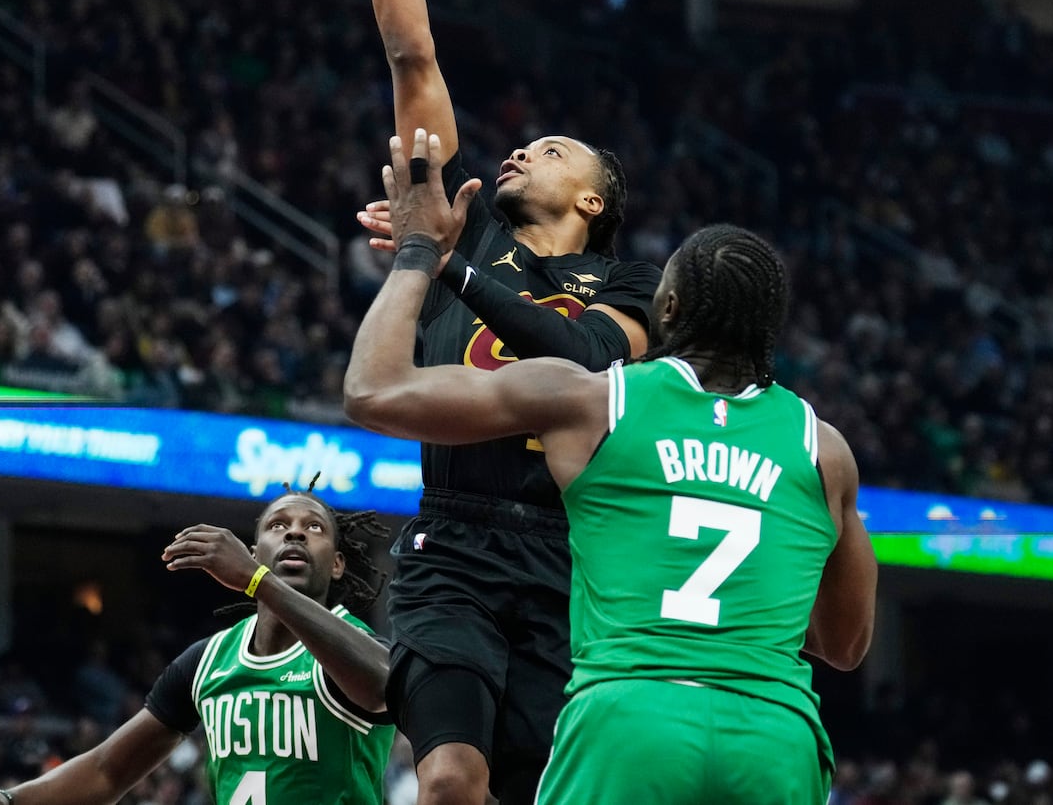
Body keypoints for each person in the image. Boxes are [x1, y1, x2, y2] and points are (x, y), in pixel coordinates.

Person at [345, 131, 879, 805]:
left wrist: (422, 253)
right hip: (773, 733)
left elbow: (371, 392)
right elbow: (846, 640)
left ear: (669, 311)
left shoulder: (602, 401)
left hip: (630, 714)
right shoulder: (823, 447)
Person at [345, 0, 663, 805]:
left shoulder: (632, 283)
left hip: (567, 556)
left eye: (552, 148)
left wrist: (448, 265)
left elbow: (583, 363)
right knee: (445, 781)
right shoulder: (463, 218)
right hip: (451, 533)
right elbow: (412, 55)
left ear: (594, 195)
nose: (520, 146)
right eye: (525, 140)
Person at [0, 492, 396, 805]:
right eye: (279, 525)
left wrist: (258, 583)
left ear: (338, 564)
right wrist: (11, 798)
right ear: (255, 551)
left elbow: (383, 683)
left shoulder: (359, 647)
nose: (295, 534)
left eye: (314, 528)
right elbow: (108, 770)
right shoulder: (208, 662)